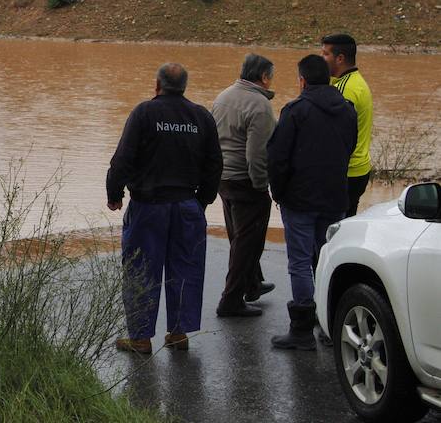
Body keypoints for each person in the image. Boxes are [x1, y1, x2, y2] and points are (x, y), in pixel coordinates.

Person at [107, 63, 223, 354]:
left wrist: (114, 192)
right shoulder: (201, 116)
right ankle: (178, 333)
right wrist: (203, 201)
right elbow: (215, 165)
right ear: (184, 87)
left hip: (149, 206)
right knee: (185, 268)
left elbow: (123, 157)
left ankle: (141, 338)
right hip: (187, 206)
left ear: (157, 85)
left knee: (140, 269)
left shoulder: (144, 113)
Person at [267, 55, 356, 350]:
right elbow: (350, 147)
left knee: (300, 263)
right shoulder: (347, 110)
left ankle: (302, 329)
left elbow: (278, 158)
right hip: (335, 197)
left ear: (302, 80)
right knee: (329, 260)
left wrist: (278, 193)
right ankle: (331, 327)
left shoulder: (295, 111)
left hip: (300, 200)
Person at [212, 54, 277, 318]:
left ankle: (252, 284)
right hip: (245, 181)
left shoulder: (223, 96)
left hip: (223, 179)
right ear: (263, 77)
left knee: (238, 236)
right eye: (271, 76)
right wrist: (261, 186)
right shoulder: (260, 105)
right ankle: (230, 300)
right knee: (247, 242)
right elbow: (257, 154)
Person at [322, 33, 373, 217]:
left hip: (346, 172)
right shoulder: (355, 81)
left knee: (334, 230)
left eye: (325, 54)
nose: (322, 59)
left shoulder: (345, 90)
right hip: (358, 169)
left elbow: (335, 136)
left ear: (340, 58)